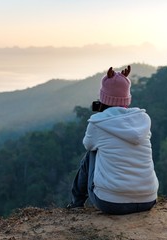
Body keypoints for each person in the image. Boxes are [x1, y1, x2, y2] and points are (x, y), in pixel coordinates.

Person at [67, 65, 159, 215]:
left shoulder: (98, 123)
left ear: (103, 98)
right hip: (148, 199)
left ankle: (76, 204)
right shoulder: (143, 120)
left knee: (91, 154)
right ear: (127, 98)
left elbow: (88, 145)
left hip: (111, 203)